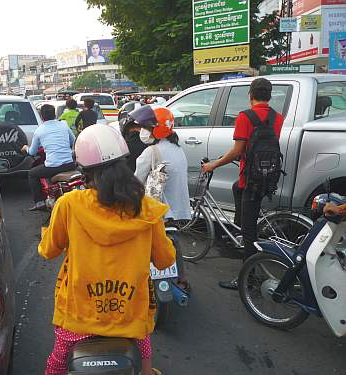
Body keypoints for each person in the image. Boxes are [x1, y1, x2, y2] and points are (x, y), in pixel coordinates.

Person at [40, 124, 175, 375]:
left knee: (56, 366)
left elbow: (48, 250)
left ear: (84, 169)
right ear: (124, 161)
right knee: (145, 360)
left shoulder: (68, 205)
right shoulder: (146, 208)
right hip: (131, 317)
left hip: (78, 318)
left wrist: (47, 231)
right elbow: (165, 260)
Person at [201, 78, 285, 290]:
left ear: (250, 95)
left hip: (251, 179)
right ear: (270, 95)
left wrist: (214, 165)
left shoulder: (245, 117)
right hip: (267, 175)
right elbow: (263, 146)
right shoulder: (277, 117)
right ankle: (242, 226)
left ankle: (248, 279)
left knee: (249, 234)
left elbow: (239, 150)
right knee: (235, 189)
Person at [133, 105, 191, 291]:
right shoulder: (178, 149)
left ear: (155, 129)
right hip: (178, 208)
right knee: (173, 242)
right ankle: (182, 279)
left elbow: (136, 180)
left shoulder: (152, 152)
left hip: (158, 210)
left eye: (146, 128)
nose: (142, 131)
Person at [21, 104, 76, 211]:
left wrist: (25, 148)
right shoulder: (64, 125)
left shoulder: (39, 130)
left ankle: (39, 202)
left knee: (32, 173)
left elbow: (32, 152)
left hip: (53, 166)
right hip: (70, 164)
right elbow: (73, 140)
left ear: (42, 116)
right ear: (55, 114)